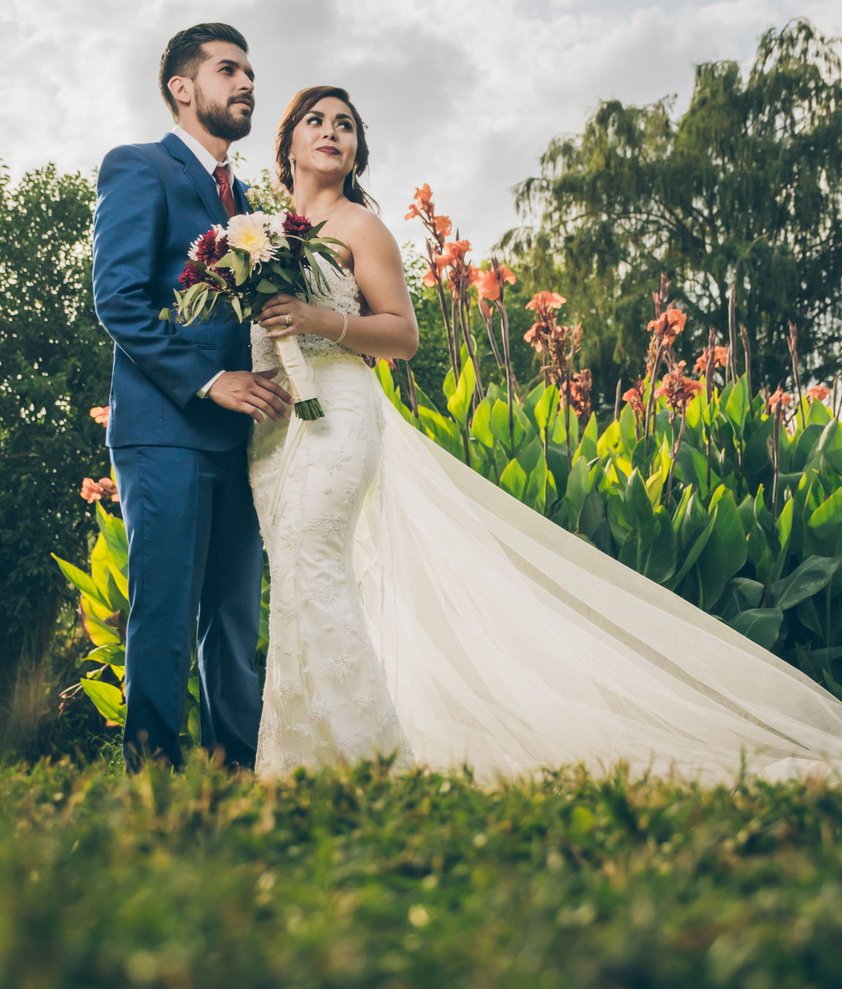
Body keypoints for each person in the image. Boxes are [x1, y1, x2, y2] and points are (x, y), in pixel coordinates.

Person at [249, 86, 842, 784]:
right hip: (276, 434)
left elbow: (403, 336)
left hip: (341, 415)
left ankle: (364, 759)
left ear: (356, 150)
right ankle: (301, 755)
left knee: (314, 561)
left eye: (344, 125)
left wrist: (321, 323)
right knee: (297, 573)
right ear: (287, 143)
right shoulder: (256, 236)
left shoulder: (362, 227)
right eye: (315, 122)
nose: (331, 132)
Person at [92, 23, 290, 771]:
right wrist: (210, 381)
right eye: (228, 70)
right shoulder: (138, 167)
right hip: (166, 428)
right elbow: (118, 298)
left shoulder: (249, 202)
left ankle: (233, 774)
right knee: (165, 614)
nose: (246, 84)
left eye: (249, 73)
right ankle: (151, 778)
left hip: (242, 436)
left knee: (235, 620)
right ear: (183, 87)